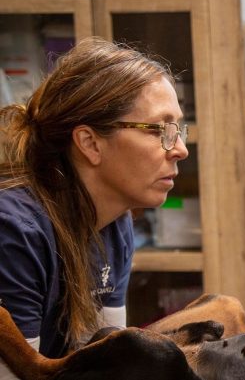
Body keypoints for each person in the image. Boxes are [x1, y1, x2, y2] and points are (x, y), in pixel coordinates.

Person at [0, 37, 188, 378]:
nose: (180, 149)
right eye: (161, 129)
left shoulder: (115, 222)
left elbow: (101, 364)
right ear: (90, 143)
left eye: (178, 129)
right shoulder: (14, 234)